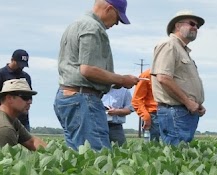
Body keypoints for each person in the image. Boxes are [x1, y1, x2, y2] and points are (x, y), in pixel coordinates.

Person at [55, 0, 139, 151]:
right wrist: (122, 79)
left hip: (68, 96)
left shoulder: (76, 23)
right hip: (83, 99)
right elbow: (88, 70)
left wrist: (113, 82)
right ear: (109, 9)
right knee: (97, 156)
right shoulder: (93, 27)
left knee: (79, 156)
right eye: (118, 18)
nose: (117, 23)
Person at [152, 9, 207, 146]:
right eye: (192, 23)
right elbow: (163, 77)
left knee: (181, 156)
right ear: (177, 25)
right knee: (176, 157)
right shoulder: (169, 45)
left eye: (197, 26)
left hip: (184, 111)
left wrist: (196, 103)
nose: (195, 28)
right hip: (175, 112)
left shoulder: (181, 49)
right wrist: (188, 102)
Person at [0, 79, 47, 150]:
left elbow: (31, 141)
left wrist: (52, 152)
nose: (30, 102)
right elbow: (11, 161)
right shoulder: (4, 127)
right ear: (9, 98)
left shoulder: (9, 118)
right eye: (25, 97)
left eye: (30, 98)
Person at [0, 49, 33, 130]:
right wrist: (5, 95)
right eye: (19, 64)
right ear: (12, 60)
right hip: (4, 118)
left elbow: (29, 97)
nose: (21, 67)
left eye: (23, 65)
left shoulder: (26, 76)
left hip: (22, 120)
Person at [132, 68, 160, 142]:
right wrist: (146, 116)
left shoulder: (176, 74)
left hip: (173, 113)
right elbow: (137, 99)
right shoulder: (147, 75)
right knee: (153, 148)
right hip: (154, 115)